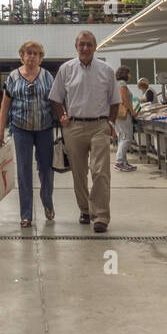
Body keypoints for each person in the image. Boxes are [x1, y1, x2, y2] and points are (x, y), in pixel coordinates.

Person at [48, 31, 119, 233]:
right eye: (82, 45)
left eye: (89, 44)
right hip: (74, 127)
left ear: (95, 47)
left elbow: (115, 101)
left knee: (100, 172)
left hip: (99, 126)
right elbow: (55, 98)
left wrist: (110, 124)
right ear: (76, 47)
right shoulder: (66, 69)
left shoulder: (106, 70)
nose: (85, 48)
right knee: (79, 173)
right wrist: (62, 115)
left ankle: (101, 216)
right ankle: (85, 210)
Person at [0, 40, 56, 228]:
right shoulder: (13, 77)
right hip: (21, 129)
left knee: (46, 169)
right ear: (22, 55)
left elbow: (55, 101)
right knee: (24, 171)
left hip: (45, 128)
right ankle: (26, 214)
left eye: (35, 53)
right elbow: (5, 106)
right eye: (28, 53)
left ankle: (47, 201)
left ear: (40, 57)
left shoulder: (47, 77)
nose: (31, 56)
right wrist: (0, 132)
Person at [114, 66, 138, 172]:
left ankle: (123, 162)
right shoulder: (122, 83)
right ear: (124, 74)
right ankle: (119, 161)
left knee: (122, 137)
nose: (130, 75)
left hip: (117, 115)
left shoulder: (116, 83)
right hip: (124, 115)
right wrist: (132, 111)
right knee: (126, 138)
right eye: (129, 73)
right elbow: (124, 99)